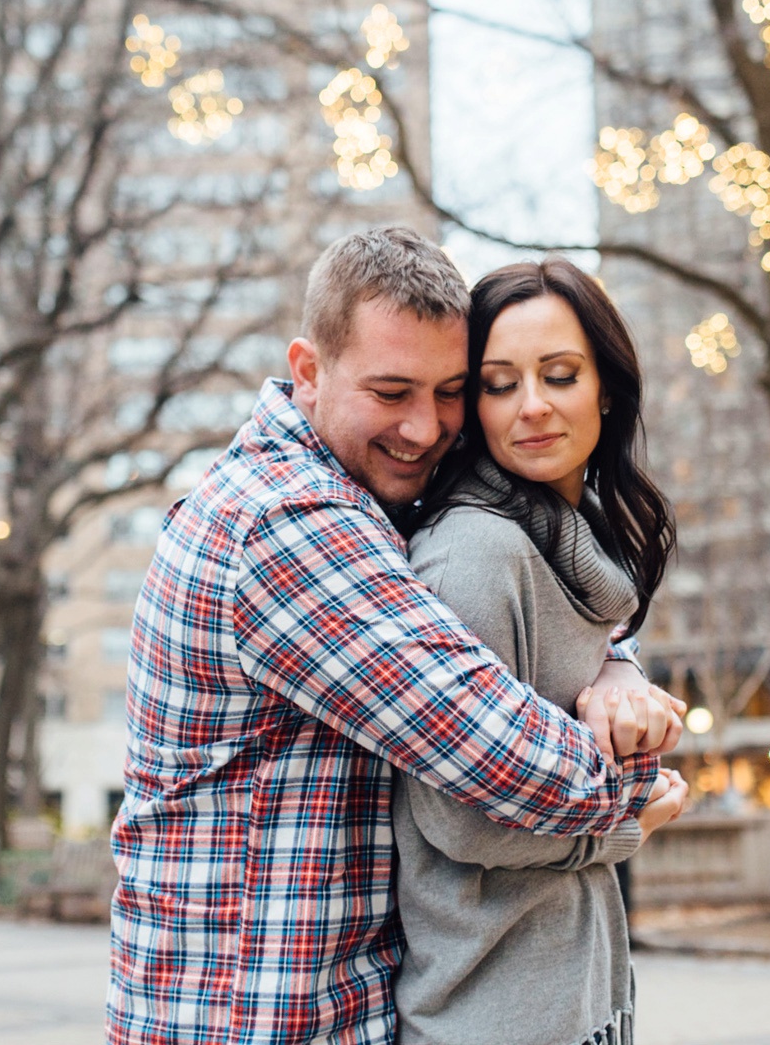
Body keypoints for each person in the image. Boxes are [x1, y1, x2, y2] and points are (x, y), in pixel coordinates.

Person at [107, 227, 686, 1045]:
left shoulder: (367, 499)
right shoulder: (287, 525)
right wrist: (642, 784)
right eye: (391, 391)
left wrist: (616, 668)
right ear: (308, 370)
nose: (425, 428)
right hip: (245, 1024)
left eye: (449, 390)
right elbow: (500, 752)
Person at [393, 257, 682, 1045]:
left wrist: (619, 669)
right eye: (498, 382)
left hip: (574, 1002)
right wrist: (630, 818)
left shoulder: (566, 544)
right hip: (487, 1016)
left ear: (607, 390)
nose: (533, 407)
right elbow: (460, 819)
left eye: (559, 375)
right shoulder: (478, 556)